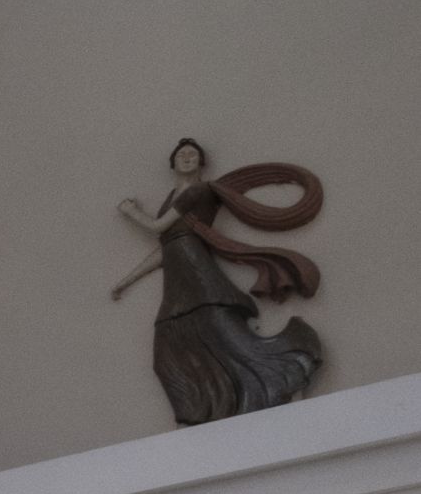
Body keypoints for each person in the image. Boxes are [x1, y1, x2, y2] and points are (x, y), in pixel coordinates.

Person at [111, 137, 323, 426]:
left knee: (228, 337)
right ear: (173, 163)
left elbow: (157, 227)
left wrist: (130, 212)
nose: (187, 157)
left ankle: (285, 374)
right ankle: (201, 411)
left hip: (196, 270)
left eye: (192, 154)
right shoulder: (172, 197)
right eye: (182, 154)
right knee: (165, 354)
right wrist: (126, 281)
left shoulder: (198, 191)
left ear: (201, 162)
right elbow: (166, 247)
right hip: (178, 275)